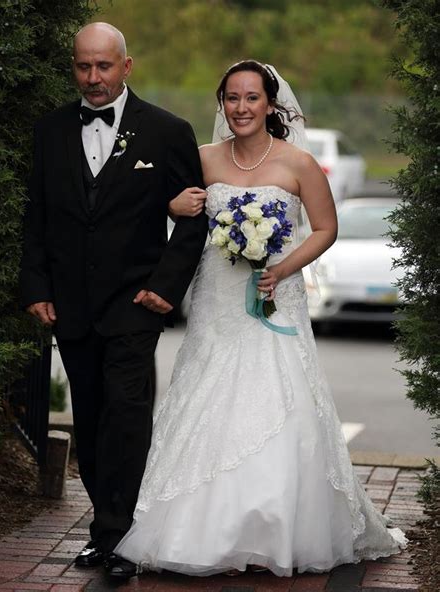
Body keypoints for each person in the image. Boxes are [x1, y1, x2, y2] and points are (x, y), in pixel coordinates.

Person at [113, 60, 406, 577]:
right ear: (221, 104)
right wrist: (172, 204)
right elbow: (160, 207)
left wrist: (280, 267)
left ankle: (275, 527)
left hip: (275, 295)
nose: (241, 108)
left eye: (251, 98)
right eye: (232, 98)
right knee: (205, 394)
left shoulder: (297, 164)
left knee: (278, 394)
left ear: (270, 104)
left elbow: (324, 228)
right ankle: (192, 531)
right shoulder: (201, 158)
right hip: (216, 300)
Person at [19, 23, 207, 580]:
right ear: (74, 67)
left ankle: (116, 538)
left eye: (104, 66)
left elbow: (195, 220)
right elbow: (37, 216)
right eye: (83, 67)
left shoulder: (169, 132)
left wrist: (165, 288)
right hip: (71, 306)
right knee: (92, 416)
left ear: (127, 66)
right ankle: (109, 521)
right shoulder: (49, 130)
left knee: (127, 415)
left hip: (136, 302)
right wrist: (37, 287)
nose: (93, 78)